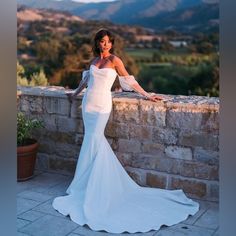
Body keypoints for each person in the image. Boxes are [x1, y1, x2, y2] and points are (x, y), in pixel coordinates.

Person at [52, 29, 199, 234]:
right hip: (88, 105)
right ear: (97, 43)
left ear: (111, 44)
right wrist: (74, 94)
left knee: (96, 138)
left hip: (102, 105)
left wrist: (147, 95)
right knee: (90, 140)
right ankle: (84, 185)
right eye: (102, 41)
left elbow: (129, 80)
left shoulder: (115, 60)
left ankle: (97, 187)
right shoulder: (94, 61)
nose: (105, 45)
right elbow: (85, 82)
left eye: (108, 42)